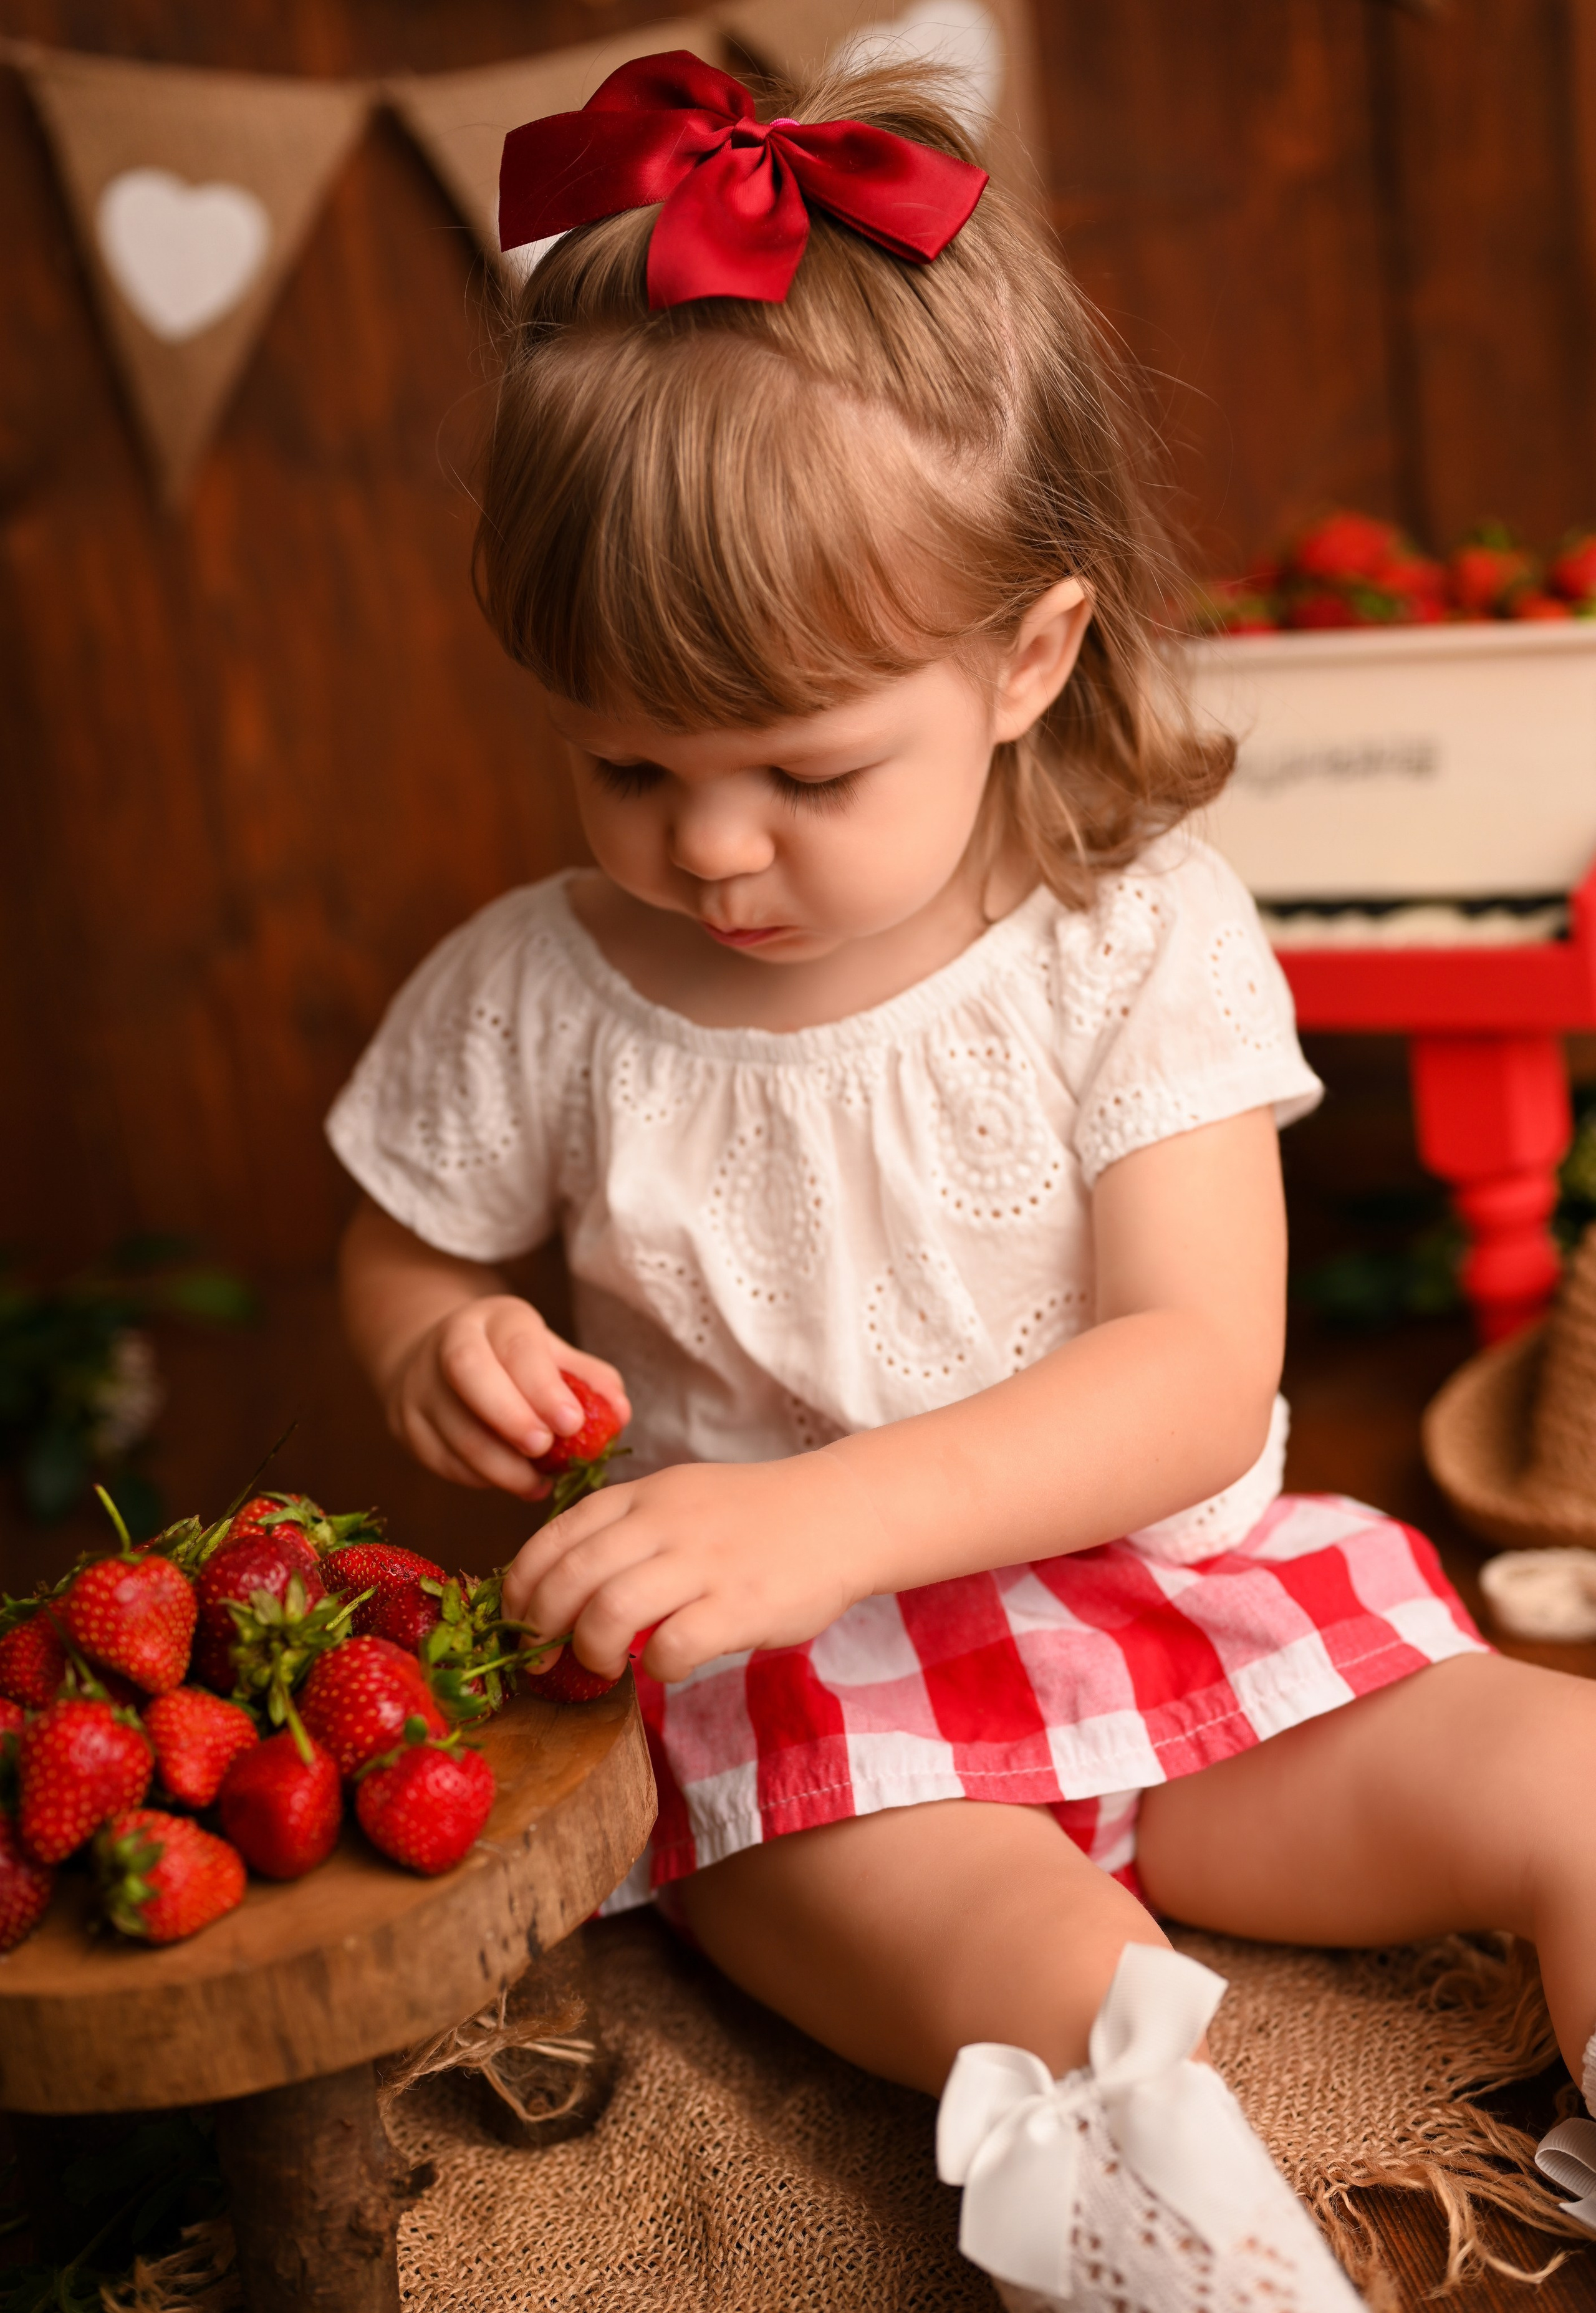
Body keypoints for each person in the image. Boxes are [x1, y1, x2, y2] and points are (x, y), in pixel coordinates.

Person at [327, 51, 1596, 2310]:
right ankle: (1198, 2275)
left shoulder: (1133, 931)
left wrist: (838, 1503)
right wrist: (447, 1340)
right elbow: (404, 1241)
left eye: (805, 767)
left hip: (1182, 1627)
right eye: (625, 762)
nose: (707, 847)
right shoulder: (540, 987)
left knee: (1572, 1780)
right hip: (814, 1720)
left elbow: (1199, 1375)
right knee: (1074, 1993)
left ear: (1027, 656)